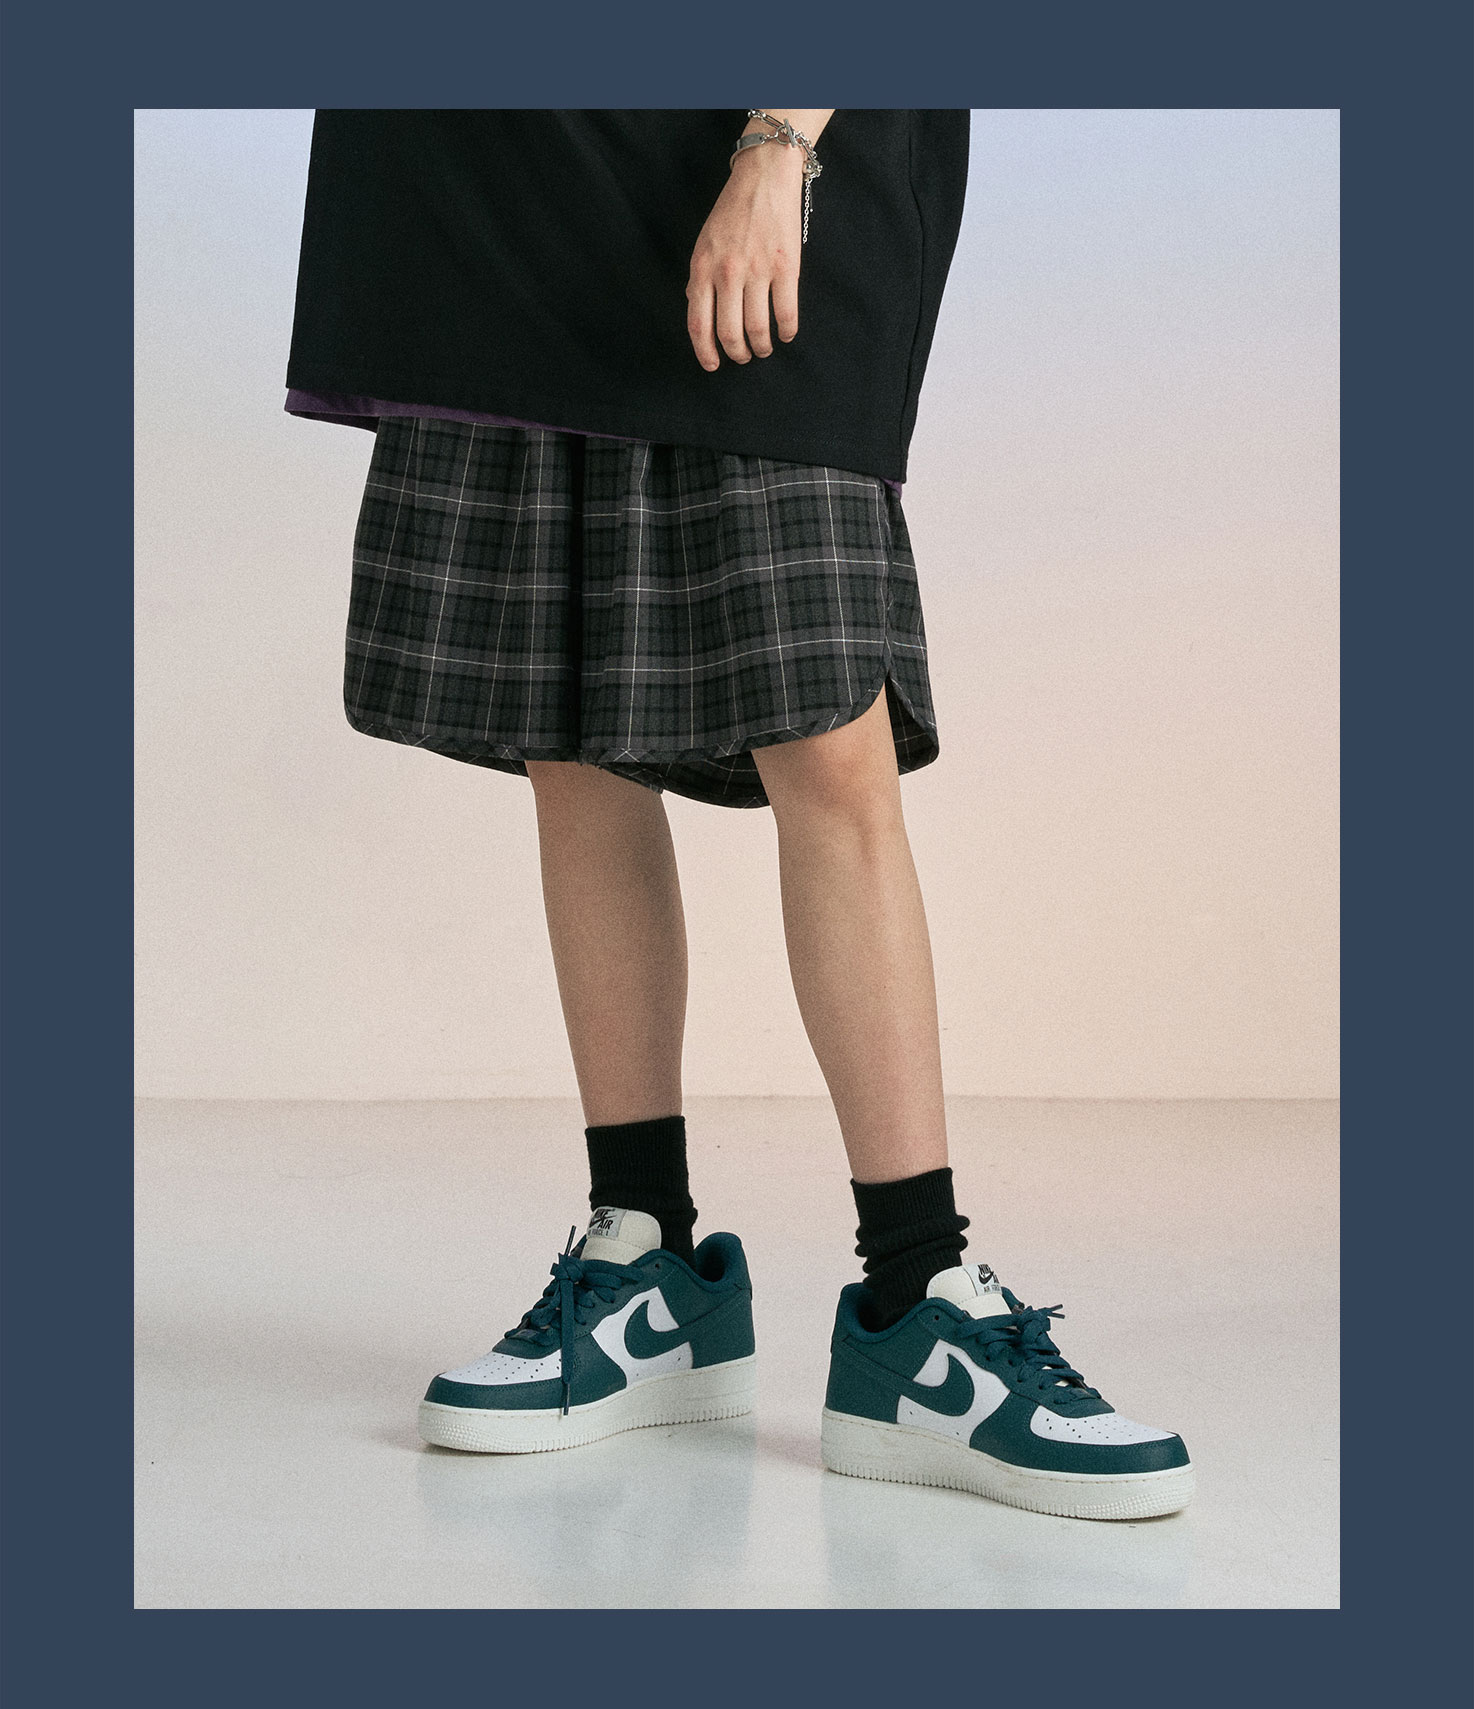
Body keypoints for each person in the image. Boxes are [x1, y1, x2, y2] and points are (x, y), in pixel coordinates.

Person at [285, 108, 1193, 1521]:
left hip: (748, 147)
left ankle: (918, 1301)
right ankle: (644, 1258)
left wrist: (781, 141)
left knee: (829, 750)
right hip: (516, 175)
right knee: (573, 736)